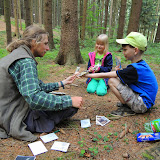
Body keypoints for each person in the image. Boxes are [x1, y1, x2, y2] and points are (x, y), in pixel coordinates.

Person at [0, 25, 83, 141]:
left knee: (62, 101)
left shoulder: (17, 55)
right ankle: (39, 123)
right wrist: (70, 101)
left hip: (5, 110)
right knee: (70, 107)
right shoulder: (26, 62)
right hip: (12, 116)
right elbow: (34, 99)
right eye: (45, 43)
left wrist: (62, 83)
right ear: (34, 42)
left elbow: (37, 86)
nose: (48, 48)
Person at [83, 32, 158, 117]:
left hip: (141, 105)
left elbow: (108, 75)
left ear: (135, 50)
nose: (123, 52)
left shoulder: (134, 69)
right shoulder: (140, 65)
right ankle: (128, 103)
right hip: (145, 101)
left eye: (125, 50)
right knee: (118, 79)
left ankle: (127, 107)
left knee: (111, 81)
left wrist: (87, 75)